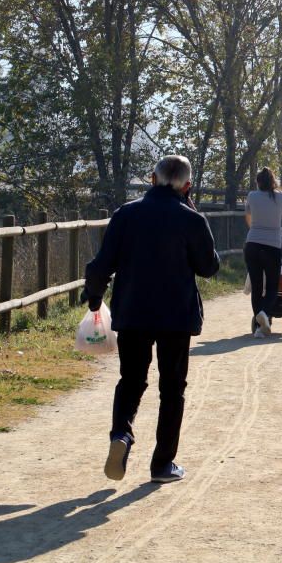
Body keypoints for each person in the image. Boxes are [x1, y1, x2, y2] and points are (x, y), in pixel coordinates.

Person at [83, 155, 220, 484]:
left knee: (131, 381)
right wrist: (196, 214)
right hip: (176, 315)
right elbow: (209, 267)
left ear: (151, 178)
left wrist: (95, 298)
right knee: (172, 389)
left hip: (133, 311)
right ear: (187, 186)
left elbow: (102, 263)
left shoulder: (126, 214)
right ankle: (162, 465)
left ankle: (121, 436)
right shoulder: (191, 220)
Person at [244, 167, 282, 338]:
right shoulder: (281, 197)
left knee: (257, 287)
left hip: (252, 244)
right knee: (273, 286)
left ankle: (260, 326)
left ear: (258, 182)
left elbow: (248, 218)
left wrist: (255, 230)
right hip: (272, 246)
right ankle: (264, 315)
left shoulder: (252, 196)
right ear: (273, 182)